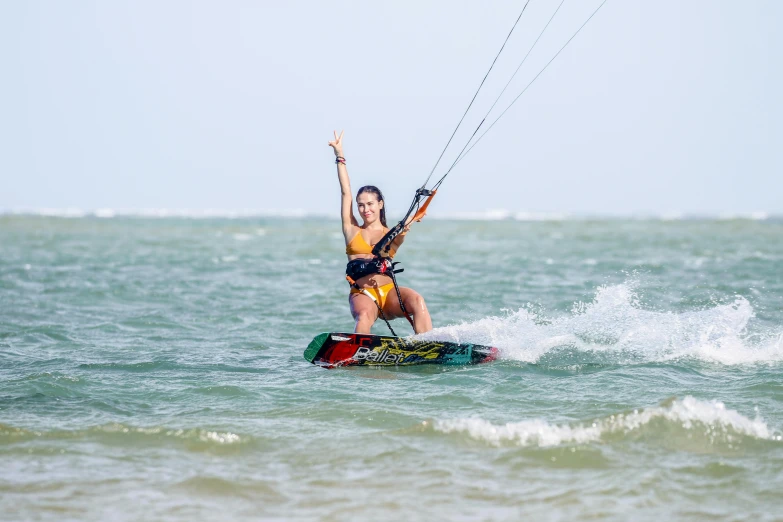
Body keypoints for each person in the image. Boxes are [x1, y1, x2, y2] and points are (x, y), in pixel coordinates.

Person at [328, 130, 433, 335]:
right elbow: (345, 192)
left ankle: (429, 345)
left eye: (370, 204)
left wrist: (407, 226)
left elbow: (401, 235)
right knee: (365, 315)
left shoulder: (391, 234)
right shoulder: (351, 230)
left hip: (389, 294)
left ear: (380, 204)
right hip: (363, 294)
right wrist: (339, 156)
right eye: (361, 205)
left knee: (417, 300)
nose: (365, 209)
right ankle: (359, 350)